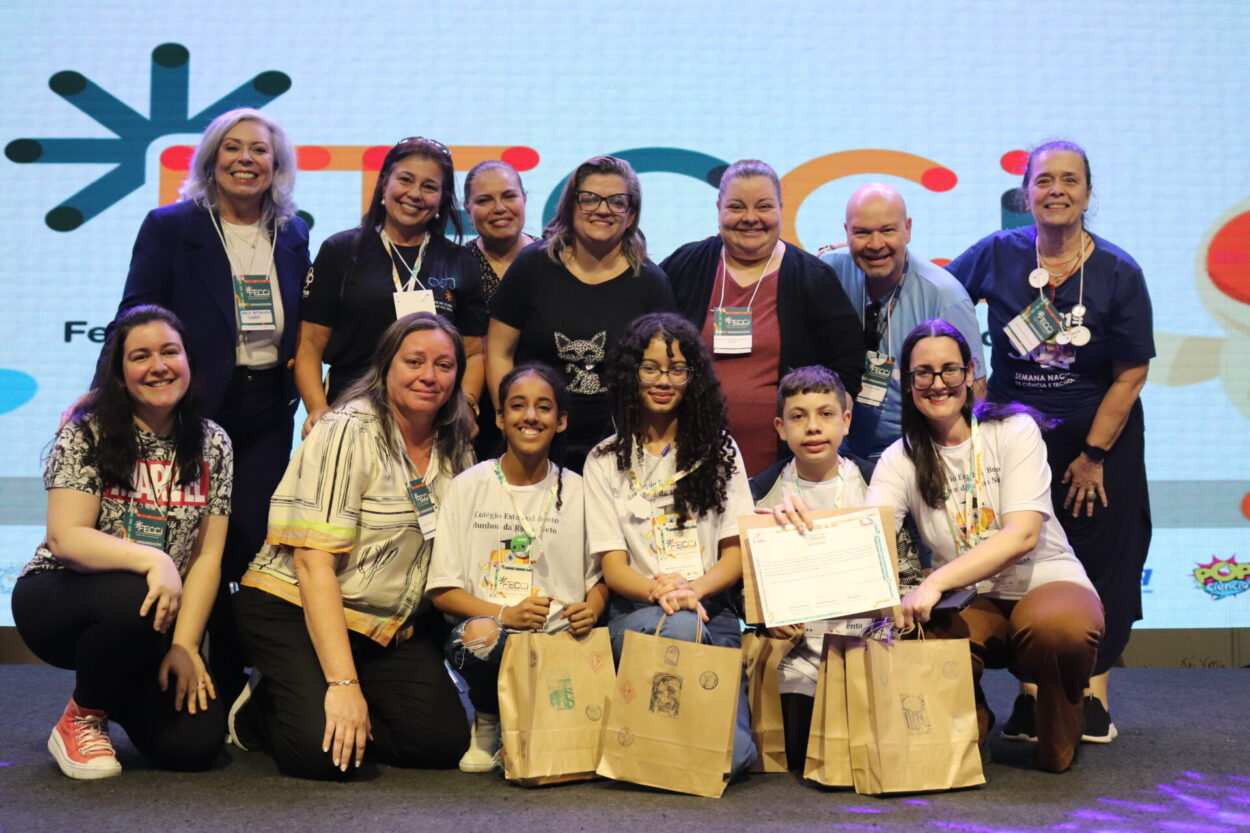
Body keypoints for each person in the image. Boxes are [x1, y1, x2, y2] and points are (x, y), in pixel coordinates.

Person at [946, 141, 1152, 743]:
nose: (1056, 190)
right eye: (1043, 180)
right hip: (1014, 441)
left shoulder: (1119, 271)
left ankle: (1092, 699)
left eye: (1069, 180)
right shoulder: (998, 252)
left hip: (1098, 446)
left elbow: (1131, 373)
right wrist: (973, 384)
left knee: (1099, 562)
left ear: (1087, 193)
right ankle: (1034, 695)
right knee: (1021, 558)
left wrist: (1093, 456)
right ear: (1026, 192)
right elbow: (940, 298)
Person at [114, 107, 309, 704]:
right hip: (193, 407)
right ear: (211, 159)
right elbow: (134, 314)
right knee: (188, 538)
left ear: (276, 164)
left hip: (267, 409)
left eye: (259, 149)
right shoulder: (171, 226)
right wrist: (107, 390)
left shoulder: (293, 232)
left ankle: (229, 674)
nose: (246, 159)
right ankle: (160, 664)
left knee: (249, 540)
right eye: (233, 147)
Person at [231, 313, 474, 780]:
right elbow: (312, 565)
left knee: (443, 743)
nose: (429, 376)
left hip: (378, 625)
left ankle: (329, 703)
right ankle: (262, 708)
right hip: (295, 604)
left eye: (444, 365)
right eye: (415, 362)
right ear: (385, 365)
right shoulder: (347, 430)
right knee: (325, 757)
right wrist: (342, 684)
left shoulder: (455, 445)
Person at [865, 319, 1103, 773]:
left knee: (1060, 629)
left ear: (971, 372)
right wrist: (800, 516)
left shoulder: (1013, 430)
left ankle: (1059, 728)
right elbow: (869, 533)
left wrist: (933, 582)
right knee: (913, 630)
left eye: (949, 370)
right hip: (971, 598)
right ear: (908, 383)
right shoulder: (900, 457)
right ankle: (970, 726)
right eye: (923, 373)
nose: (938, 384)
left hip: (1044, 582)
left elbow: (1023, 535)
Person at [13, 306, 232, 779]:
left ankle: (114, 687)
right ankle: (82, 717)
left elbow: (207, 557)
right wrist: (154, 560)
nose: (159, 366)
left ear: (188, 360)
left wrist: (185, 646)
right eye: (140, 356)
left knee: (194, 747)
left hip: (150, 617)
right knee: (134, 592)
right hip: (60, 597)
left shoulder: (213, 442)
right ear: (119, 372)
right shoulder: (87, 430)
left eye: (170, 352)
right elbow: (65, 537)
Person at [583, 312, 758, 777]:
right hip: (636, 612)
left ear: (692, 377)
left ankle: (658, 753)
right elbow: (614, 568)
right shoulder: (604, 459)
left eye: (677, 369)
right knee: (678, 626)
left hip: (711, 610)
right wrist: (661, 592)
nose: (664, 381)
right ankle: (665, 754)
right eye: (651, 368)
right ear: (631, 373)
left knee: (736, 756)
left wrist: (693, 590)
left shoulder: (719, 450)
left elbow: (735, 554)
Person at [428, 363, 607, 772]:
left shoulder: (579, 490)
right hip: (491, 630)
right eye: (517, 406)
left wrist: (593, 607)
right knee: (482, 636)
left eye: (544, 407)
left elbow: (600, 578)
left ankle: (531, 726)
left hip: (561, 638)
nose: (530, 416)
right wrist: (506, 614)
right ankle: (488, 720)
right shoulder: (468, 486)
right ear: (500, 418)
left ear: (561, 421)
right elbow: (443, 591)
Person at [749, 365, 922, 771]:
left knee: (865, 745)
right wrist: (765, 620)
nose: (813, 427)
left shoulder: (877, 485)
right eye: (798, 416)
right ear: (780, 428)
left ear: (846, 421)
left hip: (869, 643)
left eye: (826, 414)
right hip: (796, 652)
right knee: (799, 751)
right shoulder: (761, 494)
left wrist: (897, 610)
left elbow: (909, 570)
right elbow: (744, 586)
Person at [663, 159, 863, 476]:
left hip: (784, 471)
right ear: (718, 208)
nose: (751, 218)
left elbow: (847, 367)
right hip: (686, 464)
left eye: (764, 206)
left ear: (781, 208)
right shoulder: (685, 266)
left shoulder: (814, 279)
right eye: (736, 206)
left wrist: (818, 441)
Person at [487, 155, 676, 473]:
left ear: (631, 215)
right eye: (589, 198)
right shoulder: (531, 266)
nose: (602, 209)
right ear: (570, 206)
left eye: (617, 201)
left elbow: (663, 372)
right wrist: (510, 419)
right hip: (534, 441)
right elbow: (498, 352)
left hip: (620, 451)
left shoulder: (652, 283)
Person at [297, 137, 488, 436]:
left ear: (442, 199)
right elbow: (309, 344)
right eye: (405, 180)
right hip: (349, 418)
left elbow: (474, 353)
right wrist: (318, 408)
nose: (415, 194)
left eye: (429, 187)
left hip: (433, 423)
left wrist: (467, 405)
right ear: (385, 183)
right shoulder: (341, 250)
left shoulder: (460, 261)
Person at [820, 183, 985, 477]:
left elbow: (976, 391)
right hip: (839, 456)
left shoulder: (945, 296)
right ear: (846, 232)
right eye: (862, 232)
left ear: (907, 230)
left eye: (887, 230)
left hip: (917, 454)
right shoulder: (828, 273)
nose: (875, 244)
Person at [462, 160, 536, 458]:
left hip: (543, 412)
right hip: (471, 419)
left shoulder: (554, 259)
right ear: (467, 209)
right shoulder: (455, 265)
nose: (499, 208)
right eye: (484, 200)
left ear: (524, 199)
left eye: (508, 196)